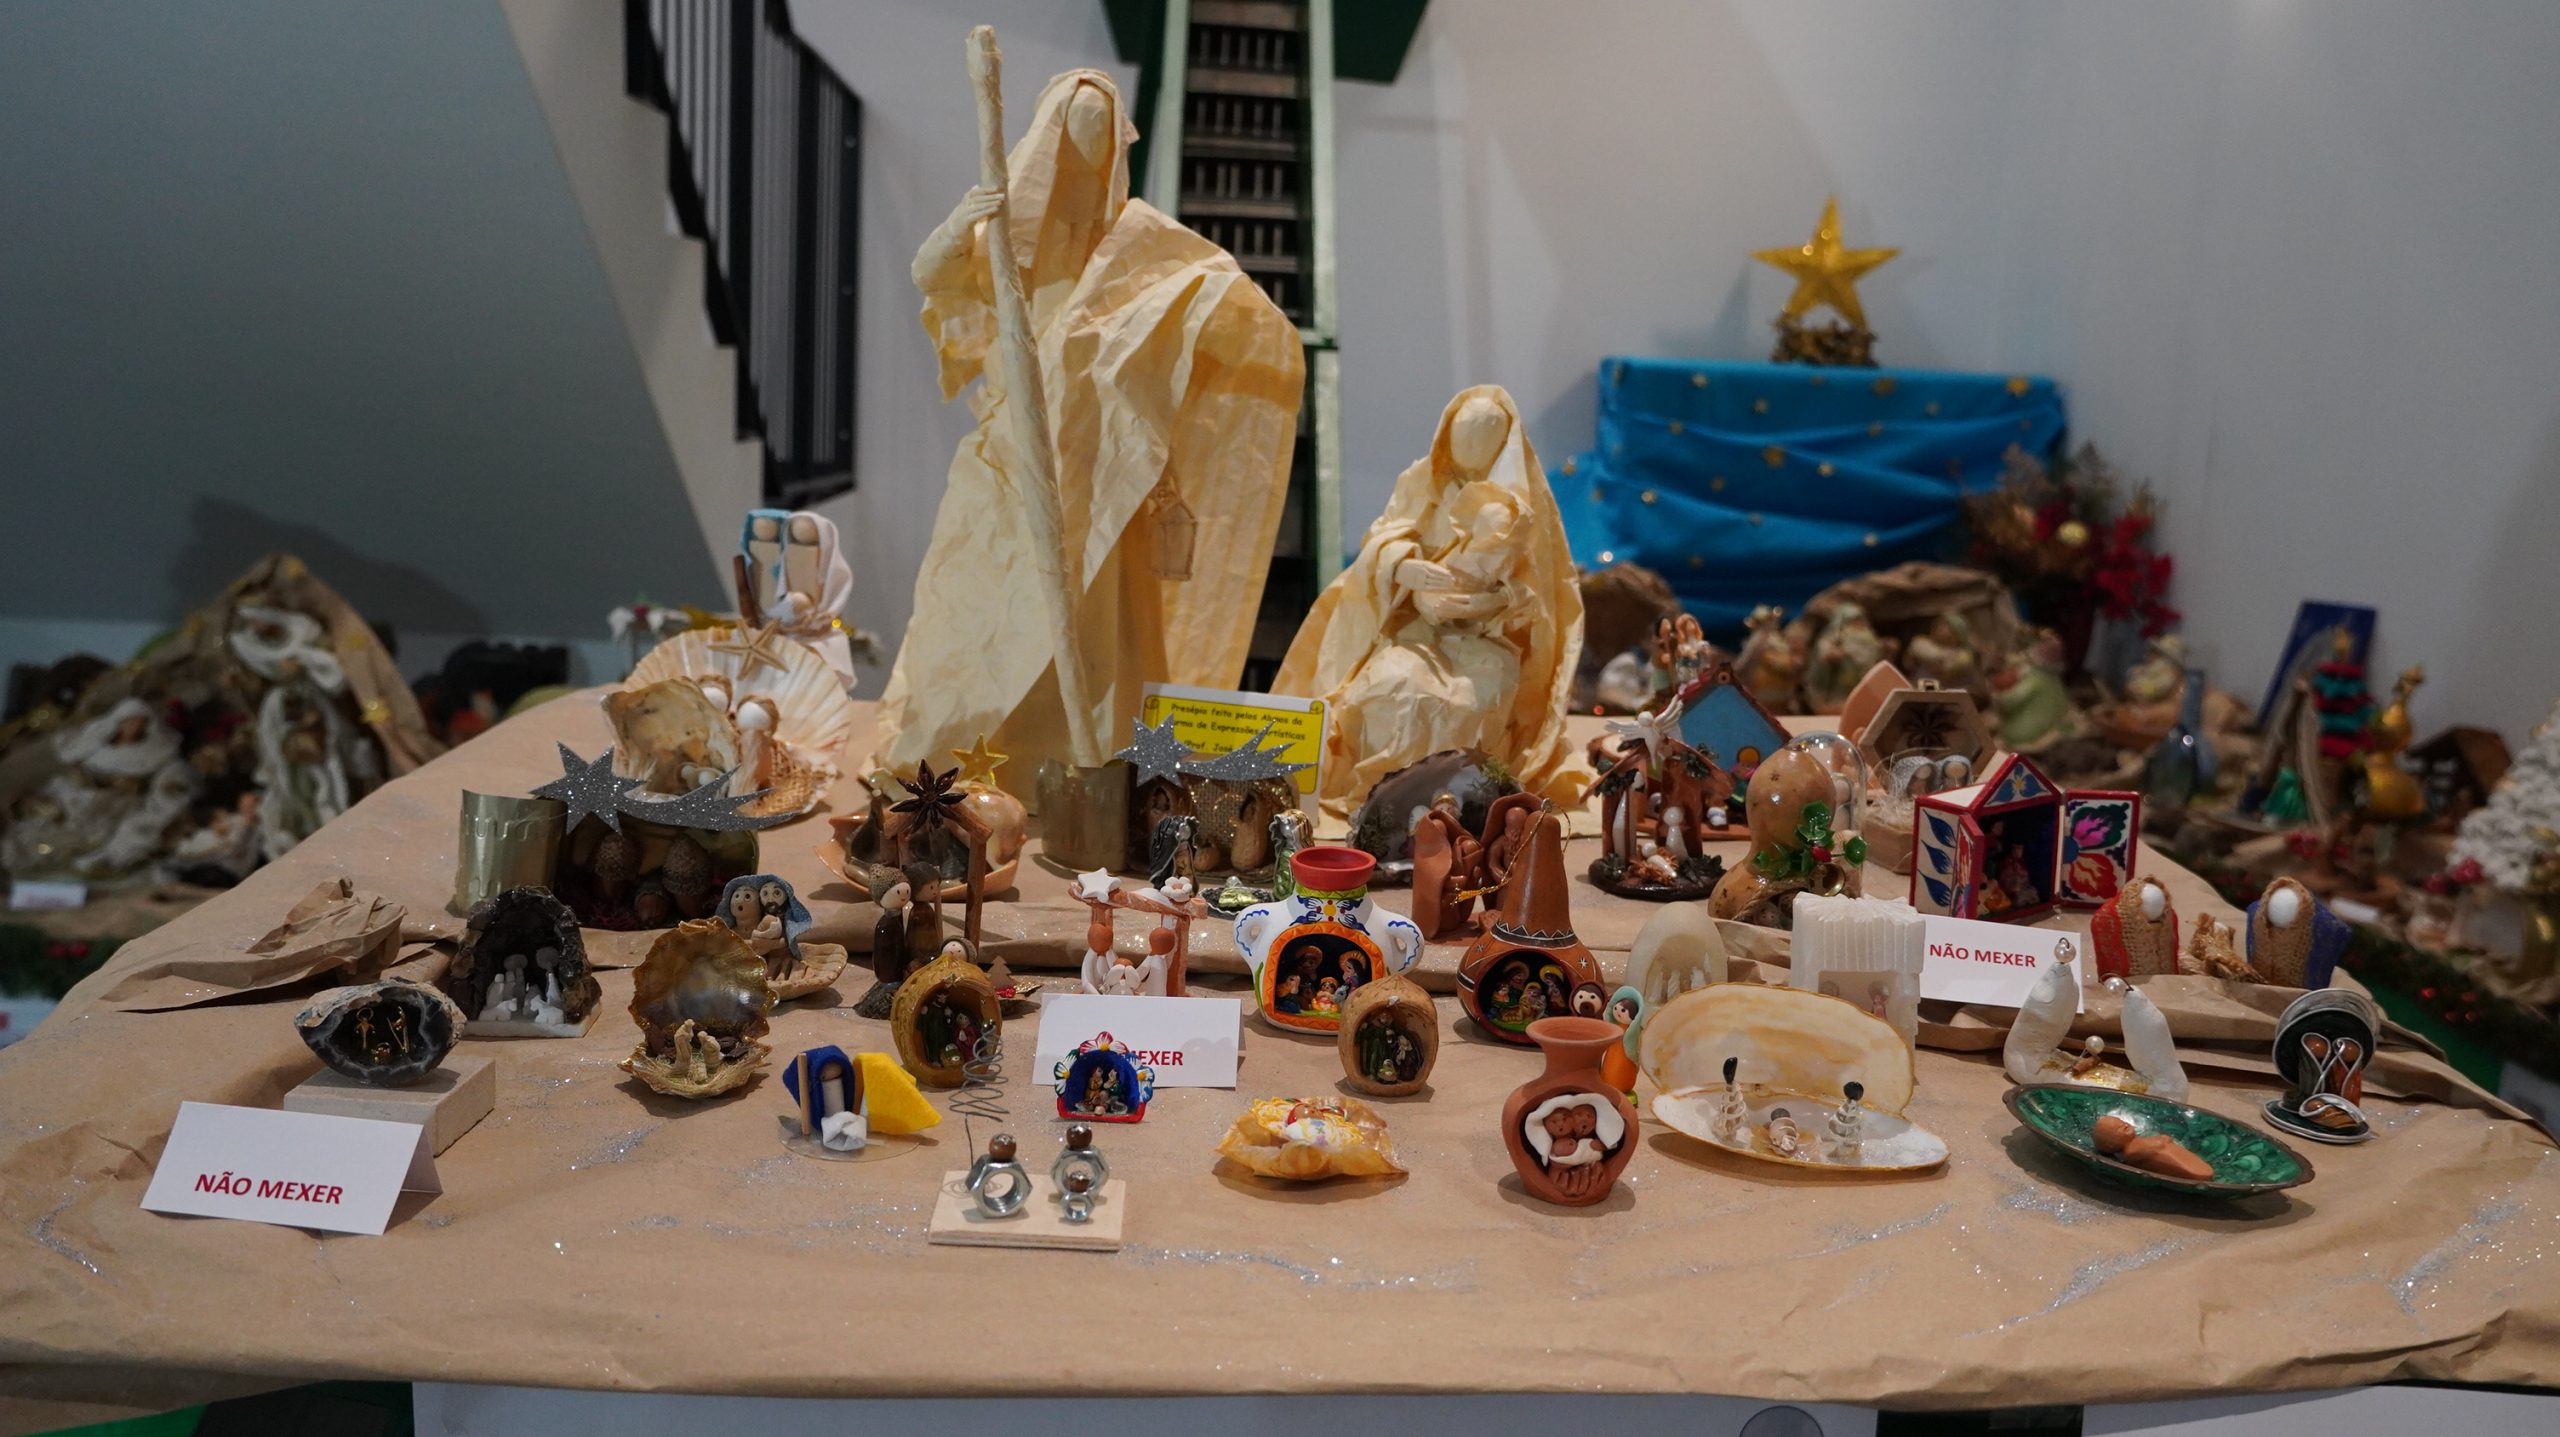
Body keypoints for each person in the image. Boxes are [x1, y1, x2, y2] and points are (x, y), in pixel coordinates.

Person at [875, 70, 1304, 775]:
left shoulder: (1135, 244)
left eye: (1101, 138)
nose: (1088, 152)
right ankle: (971, 759)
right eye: (1076, 135)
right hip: (1010, 457)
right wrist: (960, 224)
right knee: (982, 609)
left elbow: (1204, 280)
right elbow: (931, 273)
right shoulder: (1006, 232)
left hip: (1098, 468)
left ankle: (1084, 768)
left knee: (1094, 623)